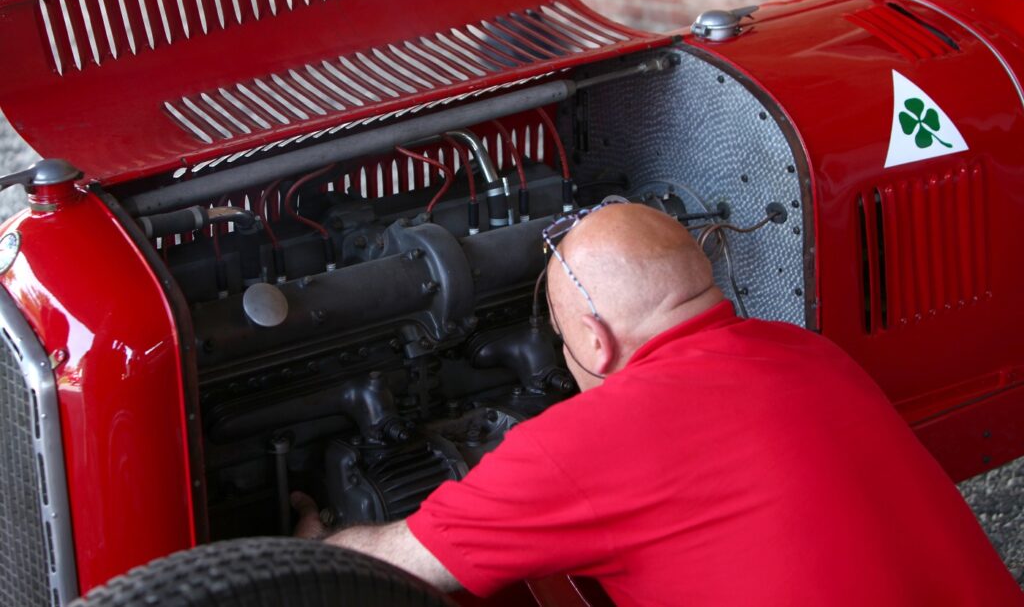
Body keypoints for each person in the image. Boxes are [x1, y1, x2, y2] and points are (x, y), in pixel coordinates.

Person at [293, 202, 1024, 605]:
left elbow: (398, 567)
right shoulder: (811, 354)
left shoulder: (582, 447)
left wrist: (311, 542)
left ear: (594, 337)